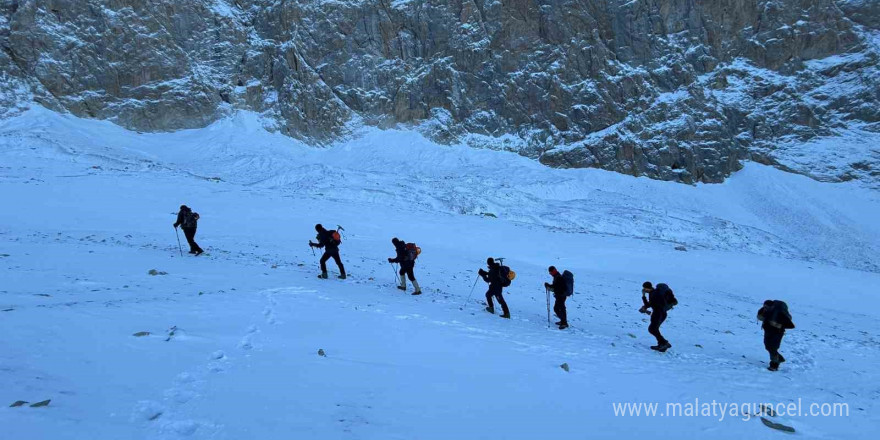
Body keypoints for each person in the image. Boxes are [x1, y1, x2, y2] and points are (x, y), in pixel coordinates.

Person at [757, 300, 795, 371]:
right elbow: (759, 317)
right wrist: (763, 316)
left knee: (773, 347)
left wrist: (777, 325)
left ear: (772, 306)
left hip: (778, 332)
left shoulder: (780, 313)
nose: (765, 308)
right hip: (768, 330)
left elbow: (790, 324)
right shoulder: (764, 310)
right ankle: (779, 358)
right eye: (764, 306)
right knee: (767, 346)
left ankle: (774, 365)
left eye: (767, 307)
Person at [641, 281, 672, 352]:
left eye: (645, 289)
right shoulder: (653, 293)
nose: (644, 290)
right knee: (654, 329)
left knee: (652, 329)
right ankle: (662, 344)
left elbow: (649, 305)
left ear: (647, 288)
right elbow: (649, 304)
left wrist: (643, 297)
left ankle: (664, 343)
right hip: (662, 313)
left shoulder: (654, 294)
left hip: (658, 313)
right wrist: (644, 296)